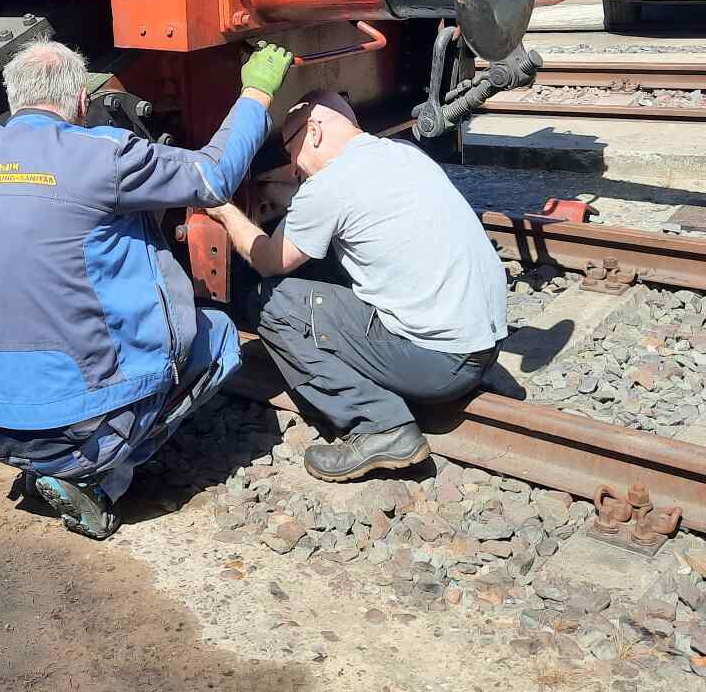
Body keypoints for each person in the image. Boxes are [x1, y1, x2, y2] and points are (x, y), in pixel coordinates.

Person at [0, 38, 293, 539]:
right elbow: (211, 178)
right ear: (82, 100)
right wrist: (256, 93)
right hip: (71, 425)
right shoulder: (102, 154)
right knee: (219, 337)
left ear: (14, 97)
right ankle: (97, 477)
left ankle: (48, 454)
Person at [207, 92, 507, 482]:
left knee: (273, 303)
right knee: (332, 259)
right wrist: (289, 194)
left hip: (439, 367)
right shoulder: (403, 154)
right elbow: (338, 204)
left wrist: (226, 211)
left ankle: (379, 426)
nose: (294, 168)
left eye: (291, 152)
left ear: (313, 132)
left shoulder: (328, 187)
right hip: (484, 347)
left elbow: (267, 261)